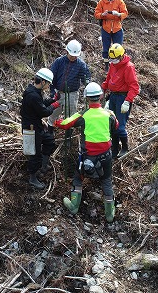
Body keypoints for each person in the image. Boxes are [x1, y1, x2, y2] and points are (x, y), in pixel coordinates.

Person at [54, 82, 119, 222]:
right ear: (101, 97)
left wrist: (56, 122)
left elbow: (65, 124)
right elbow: (117, 125)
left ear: (86, 98)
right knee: (107, 182)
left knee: (78, 179)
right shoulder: (109, 114)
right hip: (106, 156)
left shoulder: (83, 115)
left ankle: (73, 206)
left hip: (87, 157)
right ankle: (109, 215)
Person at [20, 68, 60, 189]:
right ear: (42, 82)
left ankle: (43, 165)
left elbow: (41, 104)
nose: (48, 86)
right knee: (35, 153)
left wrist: (53, 100)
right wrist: (54, 105)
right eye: (48, 83)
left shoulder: (35, 91)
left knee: (49, 141)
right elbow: (43, 111)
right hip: (31, 129)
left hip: (36, 125)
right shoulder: (32, 95)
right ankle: (33, 177)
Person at [101, 44, 139, 160]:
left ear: (122, 56)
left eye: (115, 59)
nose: (114, 61)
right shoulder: (113, 64)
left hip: (123, 98)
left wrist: (127, 101)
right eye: (112, 59)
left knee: (120, 125)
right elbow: (108, 79)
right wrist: (103, 90)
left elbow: (134, 86)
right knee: (112, 123)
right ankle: (115, 148)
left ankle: (125, 147)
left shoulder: (128, 67)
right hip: (113, 96)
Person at [48, 39, 91, 126]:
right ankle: (50, 129)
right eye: (71, 55)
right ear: (67, 51)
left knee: (72, 115)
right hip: (58, 92)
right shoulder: (59, 61)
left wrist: (88, 84)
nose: (73, 57)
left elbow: (86, 78)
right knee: (54, 113)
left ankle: (70, 131)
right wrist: (52, 91)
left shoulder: (81, 65)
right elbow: (51, 76)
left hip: (72, 93)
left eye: (75, 56)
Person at [94, 0, 128, 71]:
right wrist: (102, 15)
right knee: (105, 48)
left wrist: (118, 14)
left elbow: (125, 13)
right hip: (106, 28)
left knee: (118, 48)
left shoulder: (119, 2)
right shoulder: (102, 2)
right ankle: (106, 66)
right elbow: (96, 14)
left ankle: (120, 66)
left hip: (117, 28)